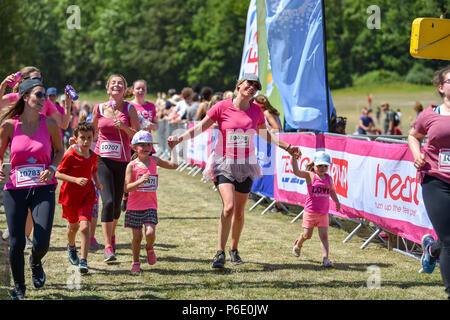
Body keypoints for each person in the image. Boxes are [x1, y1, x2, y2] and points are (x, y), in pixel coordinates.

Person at [168, 73, 300, 269]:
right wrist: (180, 139)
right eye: (250, 83)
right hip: (223, 162)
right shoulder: (222, 106)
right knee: (228, 206)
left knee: (239, 212)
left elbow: (266, 136)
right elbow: (201, 127)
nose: (253, 87)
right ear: (239, 85)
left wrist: (288, 147)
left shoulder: (256, 111)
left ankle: (234, 249)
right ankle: (219, 252)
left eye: (257, 86)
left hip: (246, 164)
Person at [0, 78, 64, 299]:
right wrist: (0, 168)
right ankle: (19, 288)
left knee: (42, 240)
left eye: (44, 96)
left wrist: (53, 168)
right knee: (17, 242)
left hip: (43, 187)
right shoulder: (9, 125)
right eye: (39, 95)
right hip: (15, 188)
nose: (43, 99)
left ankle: (36, 261)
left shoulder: (50, 124)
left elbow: (59, 150)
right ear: (25, 97)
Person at [407, 65, 450, 299]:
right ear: (441, 87)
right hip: (436, 179)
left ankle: (431, 251)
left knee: (445, 240)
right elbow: (413, 136)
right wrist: (417, 155)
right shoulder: (430, 114)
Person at [92, 74, 140, 262]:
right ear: (107, 88)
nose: (116, 85)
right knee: (109, 201)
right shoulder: (99, 108)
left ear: (125, 89)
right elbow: (93, 133)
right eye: (113, 83)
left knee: (117, 207)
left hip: (122, 161)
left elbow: (137, 136)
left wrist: (125, 128)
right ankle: (108, 246)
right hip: (102, 159)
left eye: (120, 83)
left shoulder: (130, 109)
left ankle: (111, 234)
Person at [124, 130, 178, 272]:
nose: (147, 147)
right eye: (143, 145)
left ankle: (149, 247)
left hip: (150, 205)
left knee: (150, 233)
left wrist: (173, 149)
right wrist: (140, 181)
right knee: (137, 237)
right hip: (134, 206)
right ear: (135, 147)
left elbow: (174, 165)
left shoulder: (155, 161)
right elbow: (126, 188)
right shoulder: (131, 165)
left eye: (149, 144)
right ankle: (135, 262)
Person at [55, 122, 102, 274]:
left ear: (94, 138)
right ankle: (71, 245)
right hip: (70, 197)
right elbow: (57, 173)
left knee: (85, 227)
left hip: (87, 196)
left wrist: (98, 183)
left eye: (89, 137)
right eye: (82, 138)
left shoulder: (94, 156)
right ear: (75, 138)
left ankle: (83, 260)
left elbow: (93, 170)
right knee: (73, 227)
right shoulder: (70, 155)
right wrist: (75, 180)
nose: (86, 141)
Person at [291, 151, 340, 267]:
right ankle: (299, 244)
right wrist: (293, 158)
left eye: (325, 166)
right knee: (307, 235)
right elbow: (296, 172)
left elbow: (332, 191)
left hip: (323, 213)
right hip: (310, 212)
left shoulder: (329, 178)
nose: (323, 168)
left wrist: (337, 201)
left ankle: (325, 259)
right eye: (319, 166)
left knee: (324, 236)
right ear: (313, 165)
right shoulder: (310, 175)